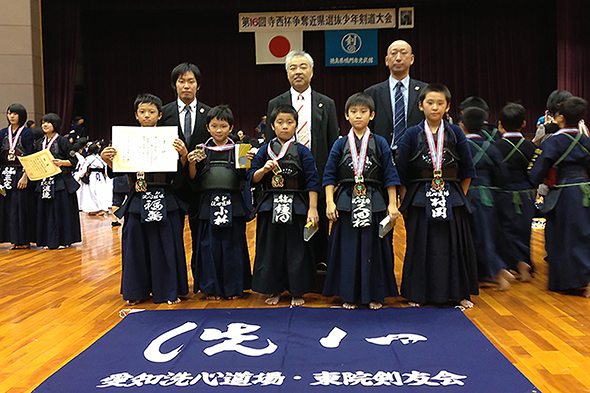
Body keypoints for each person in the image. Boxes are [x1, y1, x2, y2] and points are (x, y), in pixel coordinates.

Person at [100, 93, 189, 305]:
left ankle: (169, 290)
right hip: (138, 197)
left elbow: (180, 174)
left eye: (151, 112)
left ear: (160, 115)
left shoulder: (172, 139)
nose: (147, 116)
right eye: (142, 112)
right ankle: (136, 291)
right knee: (134, 244)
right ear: (136, 115)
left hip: (165, 196)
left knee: (166, 244)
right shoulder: (125, 140)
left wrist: (184, 154)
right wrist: (108, 160)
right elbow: (119, 171)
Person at [396, 83, 478, 308]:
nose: (435, 107)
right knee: (420, 245)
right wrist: (406, 199)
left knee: (454, 245)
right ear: (421, 106)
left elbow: (468, 170)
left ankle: (458, 292)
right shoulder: (411, 134)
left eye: (440, 103)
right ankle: (417, 294)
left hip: (451, 196)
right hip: (420, 197)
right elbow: (401, 172)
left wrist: (458, 197)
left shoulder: (456, 132)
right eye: (430, 103)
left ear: (448, 106)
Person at [322, 93, 401, 310]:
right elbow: (329, 175)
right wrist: (330, 202)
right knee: (347, 249)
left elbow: (390, 175)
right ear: (346, 116)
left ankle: (375, 294)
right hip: (347, 200)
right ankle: (348, 294)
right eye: (354, 112)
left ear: (372, 115)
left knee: (374, 248)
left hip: (374, 200)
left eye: (363, 112)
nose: (358, 116)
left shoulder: (380, 142)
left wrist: (392, 204)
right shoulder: (340, 144)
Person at [263, 50, 338, 272]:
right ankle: (291, 269)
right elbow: (270, 142)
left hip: (319, 172)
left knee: (319, 220)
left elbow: (333, 142)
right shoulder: (276, 103)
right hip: (286, 177)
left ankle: (320, 265)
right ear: (287, 73)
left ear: (312, 72)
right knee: (291, 222)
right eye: (293, 68)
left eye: (303, 67)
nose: (298, 71)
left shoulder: (327, 103)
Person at [249, 104, 320, 306]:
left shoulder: (303, 151)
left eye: (289, 122)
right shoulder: (264, 151)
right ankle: (275, 289)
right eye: (280, 122)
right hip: (270, 205)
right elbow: (252, 178)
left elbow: (313, 181)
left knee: (297, 249)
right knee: (272, 249)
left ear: (296, 125)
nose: (285, 126)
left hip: (296, 205)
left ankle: (297, 291)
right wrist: (263, 170)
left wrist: (312, 208)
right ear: (272, 125)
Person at [186, 105, 251, 300]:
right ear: (208, 127)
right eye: (214, 126)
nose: (219, 130)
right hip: (207, 203)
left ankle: (233, 288)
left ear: (231, 127)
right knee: (209, 246)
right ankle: (210, 288)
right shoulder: (200, 150)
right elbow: (193, 180)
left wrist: (248, 162)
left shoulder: (240, 149)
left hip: (233, 203)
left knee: (233, 246)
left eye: (223, 126)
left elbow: (244, 178)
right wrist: (191, 163)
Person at [529, 97, 590, 296]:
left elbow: (536, 172)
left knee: (562, 237)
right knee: (584, 235)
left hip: (563, 193)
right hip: (585, 191)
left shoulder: (554, 142)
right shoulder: (586, 141)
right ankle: (585, 279)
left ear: (561, 118)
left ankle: (567, 282)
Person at [160, 62, 212, 257]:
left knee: (202, 236)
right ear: (175, 85)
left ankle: (201, 280)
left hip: (202, 185)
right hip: (173, 185)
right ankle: (176, 282)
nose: (186, 86)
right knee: (172, 235)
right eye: (181, 81)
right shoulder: (163, 114)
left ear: (198, 85)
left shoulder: (210, 114)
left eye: (191, 81)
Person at [461, 107, 513, 290]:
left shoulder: (460, 146)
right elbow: (502, 174)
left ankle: (499, 271)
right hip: (489, 196)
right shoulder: (490, 147)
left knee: (477, 237)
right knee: (488, 234)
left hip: (468, 194)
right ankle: (485, 274)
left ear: (462, 126)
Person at [493, 103, 537, 283]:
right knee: (525, 230)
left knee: (505, 230)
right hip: (527, 194)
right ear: (524, 124)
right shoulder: (530, 146)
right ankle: (525, 261)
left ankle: (516, 263)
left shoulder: (495, 146)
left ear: (500, 124)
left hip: (504, 193)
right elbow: (536, 172)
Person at [364, 40, 428, 154]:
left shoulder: (425, 91)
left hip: (417, 155)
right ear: (386, 61)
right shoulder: (372, 93)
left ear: (412, 59)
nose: (398, 58)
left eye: (403, 53)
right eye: (393, 53)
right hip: (383, 156)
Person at [34, 113, 81, 250]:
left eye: (48, 122)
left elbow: (74, 161)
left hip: (61, 181)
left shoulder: (63, 141)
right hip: (44, 182)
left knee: (61, 211)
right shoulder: (39, 143)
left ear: (55, 125)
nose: (45, 125)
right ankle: (48, 240)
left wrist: (62, 162)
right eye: (43, 122)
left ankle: (63, 239)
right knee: (46, 211)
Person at [0, 104, 36, 249]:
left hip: (21, 172)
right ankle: (11, 239)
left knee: (20, 207)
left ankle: (23, 240)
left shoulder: (27, 133)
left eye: (15, 113)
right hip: (4, 174)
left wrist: (25, 176)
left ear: (21, 115)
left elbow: (31, 155)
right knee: (6, 207)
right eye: (9, 113)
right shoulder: (2, 132)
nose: (12, 116)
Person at [77, 143, 111, 216]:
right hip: (101, 177)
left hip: (92, 177)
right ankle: (102, 208)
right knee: (101, 192)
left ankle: (96, 209)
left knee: (92, 193)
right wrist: (106, 177)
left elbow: (83, 168)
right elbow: (105, 168)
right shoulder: (101, 158)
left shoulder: (88, 158)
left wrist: (80, 176)